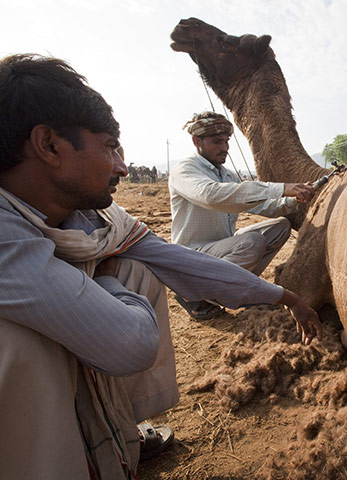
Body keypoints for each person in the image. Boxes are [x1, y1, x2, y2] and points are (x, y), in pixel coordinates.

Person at [0, 53, 323, 480]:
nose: (121, 166)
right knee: (24, 343)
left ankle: (119, 427)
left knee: (140, 266)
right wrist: (106, 281)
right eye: (110, 147)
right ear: (49, 145)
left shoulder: (101, 222)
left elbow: (180, 262)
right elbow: (130, 344)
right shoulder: (8, 240)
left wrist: (283, 296)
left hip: (202, 257)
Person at [168, 111, 315, 320]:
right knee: (251, 242)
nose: (225, 148)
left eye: (227, 141)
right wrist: (281, 188)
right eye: (217, 141)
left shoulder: (225, 174)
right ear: (196, 141)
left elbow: (264, 206)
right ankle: (197, 295)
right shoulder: (185, 170)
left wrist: (295, 199)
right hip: (192, 258)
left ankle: (233, 287)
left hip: (221, 251)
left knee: (281, 226)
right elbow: (212, 196)